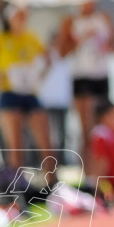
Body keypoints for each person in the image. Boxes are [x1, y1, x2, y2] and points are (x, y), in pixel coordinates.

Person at [0, 4, 51, 173]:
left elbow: (48, 59)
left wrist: (38, 78)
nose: (22, 20)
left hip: (30, 92)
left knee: (46, 142)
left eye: (24, 16)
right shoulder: (0, 39)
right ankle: (17, 185)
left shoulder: (31, 37)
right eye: (19, 16)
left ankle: (51, 182)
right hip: (10, 93)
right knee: (16, 145)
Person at [60, 0, 114, 159]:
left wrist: (105, 46)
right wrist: (81, 39)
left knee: (103, 127)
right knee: (88, 130)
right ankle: (88, 173)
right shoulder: (70, 21)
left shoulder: (104, 17)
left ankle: (103, 171)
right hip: (82, 77)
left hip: (101, 75)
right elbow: (62, 51)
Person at [38, 31, 74, 159]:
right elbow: (39, 77)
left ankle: (61, 159)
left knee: (62, 133)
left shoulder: (66, 57)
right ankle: (48, 159)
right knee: (49, 134)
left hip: (62, 100)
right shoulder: (44, 55)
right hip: (47, 101)